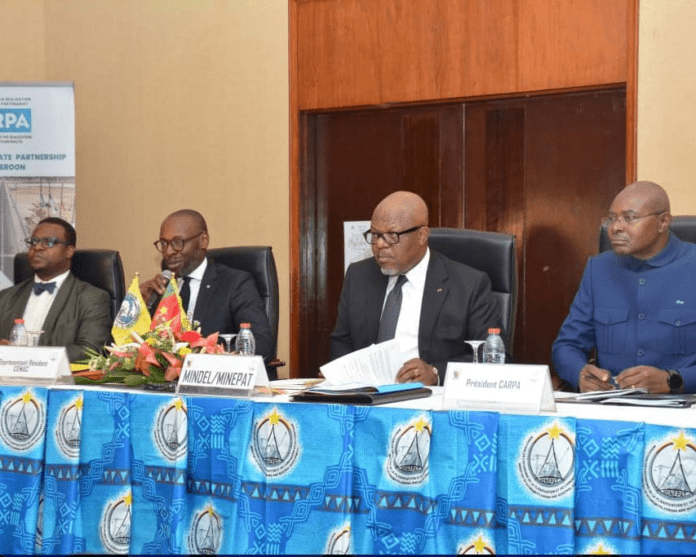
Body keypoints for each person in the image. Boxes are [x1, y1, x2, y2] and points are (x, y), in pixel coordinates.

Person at [330, 191, 503, 385]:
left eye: (392, 236)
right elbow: (341, 342)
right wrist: (341, 375)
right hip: (368, 393)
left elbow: (490, 357)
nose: (379, 244)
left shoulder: (469, 284)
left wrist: (436, 373)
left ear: (422, 235)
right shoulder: (358, 276)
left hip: (430, 396)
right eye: (376, 235)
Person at [553, 181, 696, 394]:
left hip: (682, 405)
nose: (615, 228)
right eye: (611, 218)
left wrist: (673, 380)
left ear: (663, 222)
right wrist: (580, 374)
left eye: (630, 218)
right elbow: (567, 345)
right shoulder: (598, 269)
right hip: (612, 401)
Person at [140, 209, 275, 367]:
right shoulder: (162, 288)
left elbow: (261, 344)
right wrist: (140, 305)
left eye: (178, 243)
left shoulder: (235, 283)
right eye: (164, 243)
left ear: (203, 240)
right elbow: (134, 344)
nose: (168, 252)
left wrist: (204, 358)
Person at [0, 217, 111, 361]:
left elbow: (90, 350)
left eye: (48, 242)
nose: (37, 247)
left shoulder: (91, 298)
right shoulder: (5, 297)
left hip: (61, 375)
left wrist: (30, 356)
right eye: (33, 241)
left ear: (69, 251)